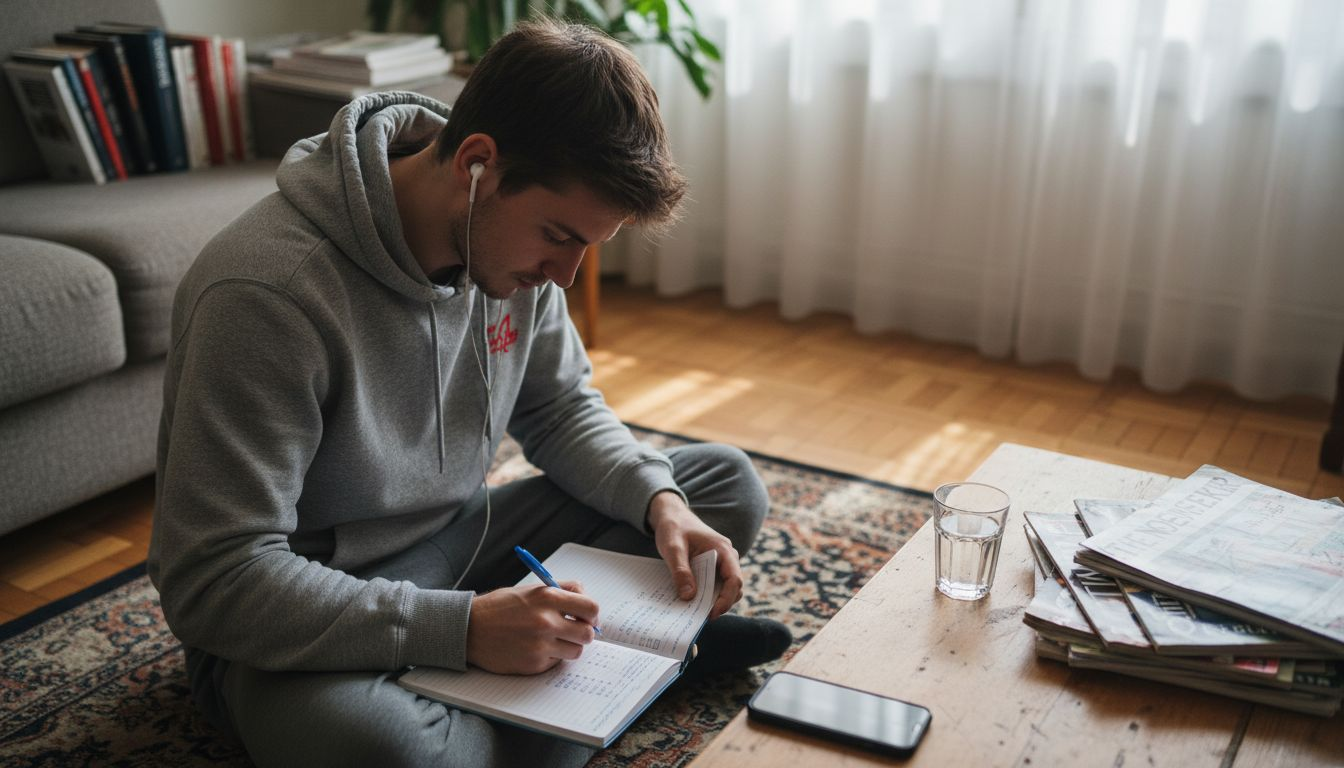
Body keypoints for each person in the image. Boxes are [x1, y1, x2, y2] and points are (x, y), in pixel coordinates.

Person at [148, 19, 790, 768]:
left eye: (589, 245)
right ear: (478, 163)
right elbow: (215, 580)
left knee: (717, 487)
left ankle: (555, 694)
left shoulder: (511, 250)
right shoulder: (265, 294)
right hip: (309, 607)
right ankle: (635, 670)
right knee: (385, 749)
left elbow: (560, 408)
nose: (566, 276)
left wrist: (661, 505)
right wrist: (460, 631)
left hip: (466, 539)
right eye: (559, 236)